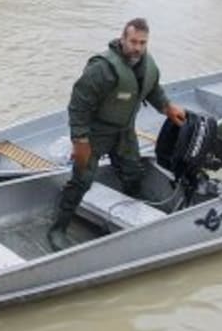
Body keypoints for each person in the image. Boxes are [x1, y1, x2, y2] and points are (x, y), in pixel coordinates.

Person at [47, 18, 188, 251]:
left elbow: (152, 89)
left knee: (133, 172)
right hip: (95, 133)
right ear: (123, 39)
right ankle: (58, 228)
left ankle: (135, 216)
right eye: (133, 41)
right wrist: (80, 141)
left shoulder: (146, 64)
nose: (137, 48)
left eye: (142, 43)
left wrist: (167, 107)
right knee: (81, 180)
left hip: (124, 132)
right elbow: (78, 106)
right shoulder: (101, 69)